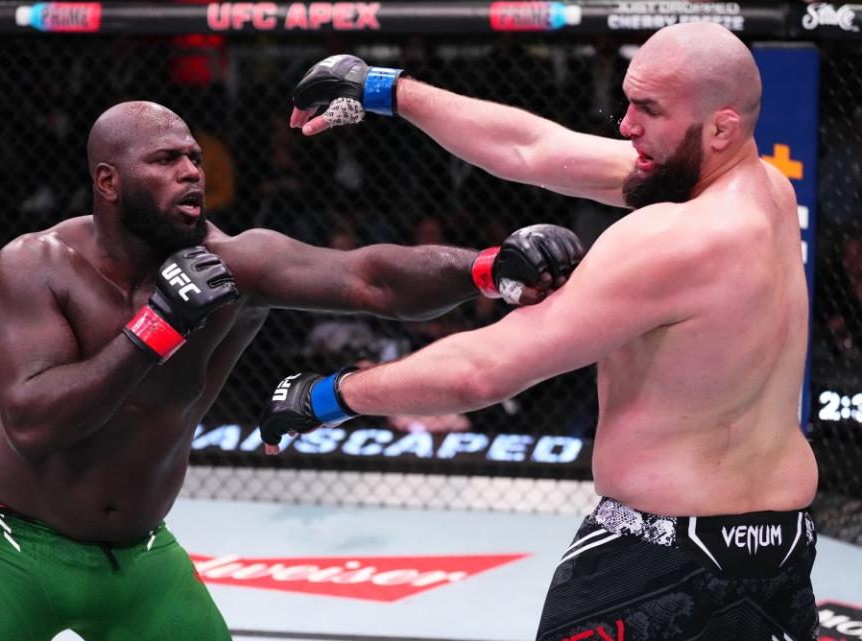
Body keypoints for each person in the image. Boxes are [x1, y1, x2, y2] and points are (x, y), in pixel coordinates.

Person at [0, 100, 582, 641]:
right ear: (108, 181)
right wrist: (155, 329)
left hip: (138, 552)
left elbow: (370, 277)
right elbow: (33, 421)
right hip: (6, 544)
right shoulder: (36, 265)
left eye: (193, 159)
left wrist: (488, 269)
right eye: (165, 159)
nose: (190, 172)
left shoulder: (235, 263)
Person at [262, 22, 819, 641]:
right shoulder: (766, 188)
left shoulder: (670, 239)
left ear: (721, 127)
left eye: (649, 110)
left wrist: (330, 397)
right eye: (628, 102)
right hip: (781, 553)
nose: (626, 126)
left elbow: (488, 369)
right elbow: (532, 148)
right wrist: (383, 90)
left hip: (661, 559)